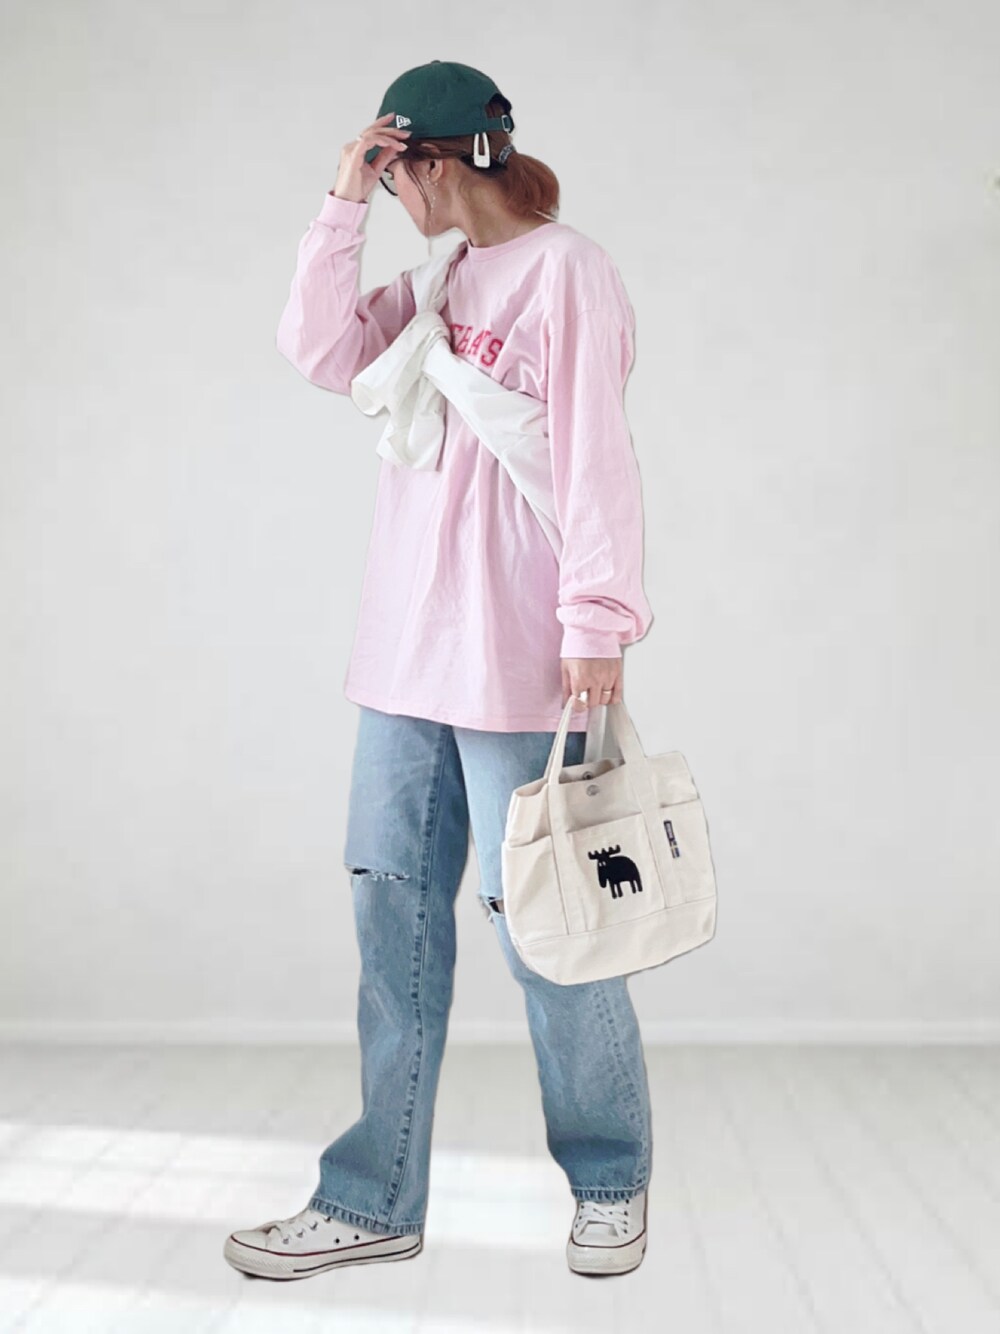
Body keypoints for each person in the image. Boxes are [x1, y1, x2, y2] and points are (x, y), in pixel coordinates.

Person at [224, 60, 654, 1282]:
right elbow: (317, 348)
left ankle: (610, 1177)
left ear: (446, 160)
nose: (391, 194)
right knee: (392, 927)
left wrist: (597, 621)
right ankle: (372, 1198)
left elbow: (596, 455)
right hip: (404, 654)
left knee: (550, 931)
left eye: (393, 174)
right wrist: (338, 204)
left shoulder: (567, 271)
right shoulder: (440, 277)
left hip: (521, 656)